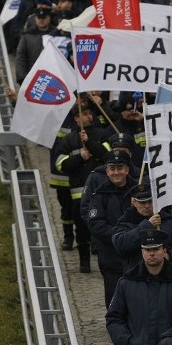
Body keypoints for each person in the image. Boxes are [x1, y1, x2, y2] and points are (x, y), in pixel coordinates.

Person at [55, 102, 111, 272]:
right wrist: (79, 157)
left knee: (102, 227)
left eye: (90, 113)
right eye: (84, 113)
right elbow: (60, 165)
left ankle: (104, 259)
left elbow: (107, 155)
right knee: (81, 229)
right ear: (76, 118)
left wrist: (90, 143)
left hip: (101, 191)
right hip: (78, 193)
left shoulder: (102, 134)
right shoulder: (69, 140)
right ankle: (84, 261)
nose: (89, 116)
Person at [86, 149, 134, 308]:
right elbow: (96, 224)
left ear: (127, 169)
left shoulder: (139, 191)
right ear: (107, 171)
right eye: (112, 169)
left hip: (136, 255)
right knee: (115, 298)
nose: (116, 173)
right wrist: (120, 237)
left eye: (120, 168)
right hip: (111, 255)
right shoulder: (99, 195)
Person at [112, 181, 172, 274]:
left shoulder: (167, 220)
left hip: (167, 276)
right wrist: (147, 225)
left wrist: (170, 256)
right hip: (137, 276)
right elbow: (121, 245)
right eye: (142, 202)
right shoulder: (126, 221)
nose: (147, 206)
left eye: (150, 201)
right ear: (134, 202)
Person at [15, 8, 59, 84]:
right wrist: (22, 78)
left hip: (53, 76)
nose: (41, 20)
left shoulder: (57, 35)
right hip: (32, 76)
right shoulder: (27, 35)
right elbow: (20, 56)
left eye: (44, 18)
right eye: (39, 17)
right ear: (35, 18)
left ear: (49, 18)